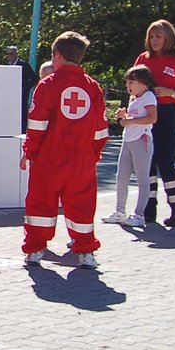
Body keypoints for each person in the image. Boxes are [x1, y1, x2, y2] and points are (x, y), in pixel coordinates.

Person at [22, 32, 109, 268]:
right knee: (82, 206)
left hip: (49, 159)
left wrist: (29, 152)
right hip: (81, 160)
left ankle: (35, 249)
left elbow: (36, 125)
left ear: (57, 55)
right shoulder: (93, 87)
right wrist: (92, 156)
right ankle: (85, 251)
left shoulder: (47, 85)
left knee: (41, 204)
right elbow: (101, 131)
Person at [136, 20, 175, 228]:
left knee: (165, 161)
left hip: (166, 113)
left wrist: (170, 93)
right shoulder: (143, 59)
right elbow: (133, 84)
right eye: (151, 36)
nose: (154, 40)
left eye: (158, 36)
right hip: (145, 115)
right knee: (146, 162)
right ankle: (147, 209)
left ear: (168, 38)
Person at [102, 66, 157, 227]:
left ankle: (139, 215)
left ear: (143, 83)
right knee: (121, 177)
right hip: (128, 141)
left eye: (131, 82)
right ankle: (120, 212)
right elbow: (133, 118)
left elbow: (152, 118)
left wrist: (129, 121)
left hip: (141, 140)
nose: (128, 86)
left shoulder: (148, 97)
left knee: (142, 180)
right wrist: (124, 116)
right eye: (127, 83)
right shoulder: (134, 98)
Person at [4, 46, 38, 131]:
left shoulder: (24, 65)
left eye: (11, 54)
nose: (10, 56)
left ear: (16, 54)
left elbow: (34, 78)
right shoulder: (7, 66)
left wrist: (25, 89)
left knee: (22, 113)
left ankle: (22, 131)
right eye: (8, 54)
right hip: (10, 95)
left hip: (21, 95)